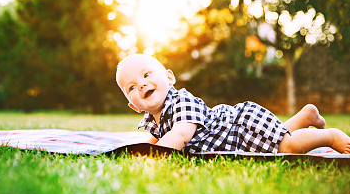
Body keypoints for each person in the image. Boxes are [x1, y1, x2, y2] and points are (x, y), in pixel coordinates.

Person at [116, 54, 350, 154]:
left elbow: (179, 137)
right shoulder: (152, 119)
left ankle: (330, 136)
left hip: (240, 126)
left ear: (169, 77)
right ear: (134, 106)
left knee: (284, 146)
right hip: (235, 131)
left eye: (147, 75)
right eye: (132, 87)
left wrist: (153, 160)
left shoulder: (181, 102)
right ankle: (306, 117)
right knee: (274, 137)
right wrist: (140, 151)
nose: (142, 85)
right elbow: (155, 140)